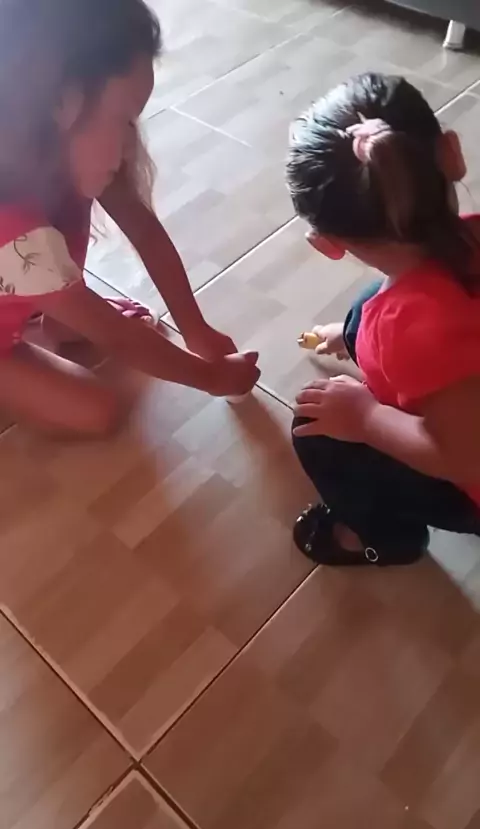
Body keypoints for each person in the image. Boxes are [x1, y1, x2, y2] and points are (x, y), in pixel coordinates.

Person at [0, 0, 260, 437]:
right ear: (63, 102)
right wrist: (213, 378)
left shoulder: (60, 145)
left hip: (22, 278)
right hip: (14, 278)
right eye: (124, 119)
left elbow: (143, 228)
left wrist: (196, 330)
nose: (130, 141)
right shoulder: (14, 231)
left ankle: (45, 313)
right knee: (96, 410)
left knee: (67, 306)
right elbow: (118, 337)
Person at [286, 72, 480, 567]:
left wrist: (367, 419)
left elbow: (465, 457)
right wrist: (357, 336)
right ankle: (354, 339)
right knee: (368, 307)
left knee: (315, 428)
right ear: (452, 154)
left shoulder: (413, 331)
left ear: (326, 244)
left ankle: (385, 539)